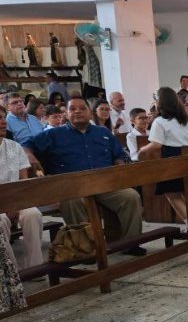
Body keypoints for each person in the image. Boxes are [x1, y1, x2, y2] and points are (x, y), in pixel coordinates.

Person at [24, 97, 145, 256]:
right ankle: (85, 248)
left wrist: (119, 168)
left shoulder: (103, 133)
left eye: (82, 108)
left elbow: (119, 154)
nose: (78, 111)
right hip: (72, 187)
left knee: (131, 196)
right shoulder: (54, 134)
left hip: (104, 184)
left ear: (90, 112)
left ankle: (130, 243)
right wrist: (32, 159)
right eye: (72, 109)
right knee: (71, 201)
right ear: (66, 114)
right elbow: (25, 146)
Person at [137, 88, 188, 224]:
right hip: (187, 157)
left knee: (172, 194)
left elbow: (156, 145)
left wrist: (141, 151)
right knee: (183, 193)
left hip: (172, 158)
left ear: (161, 102)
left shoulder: (160, 121)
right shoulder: (183, 120)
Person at [0, 106, 44, 270]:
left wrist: (17, 205)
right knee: (1, 221)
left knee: (33, 213)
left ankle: (35, 267)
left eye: (4, 118)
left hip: (16, 200)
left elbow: (23, 182)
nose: (3, 122)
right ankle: (10, 271)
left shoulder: (14, 146)